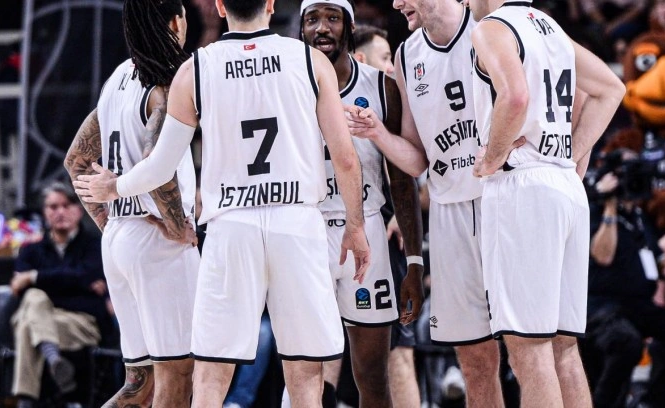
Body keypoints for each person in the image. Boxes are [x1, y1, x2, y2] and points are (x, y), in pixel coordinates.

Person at [73, 0, 371, 406]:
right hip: (296, 223)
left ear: (219, 7)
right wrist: (356, 226)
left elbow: (160, 164)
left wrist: (116, 187)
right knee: (305, 376)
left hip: (231, 226)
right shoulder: (310, 61)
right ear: (271, 4)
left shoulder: (194, 69)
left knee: (210, 376)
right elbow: (346, 158)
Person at [348, 0, 510, 406]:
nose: (396, 4)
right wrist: (378, 134)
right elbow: (417, 158)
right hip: (449, 210)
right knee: (474, 359)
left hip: (502, 198)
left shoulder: (489, 26)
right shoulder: (407, 55)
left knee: (533, 348)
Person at [465, 0, 626, 406]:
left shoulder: (493, 27)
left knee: (529, 351)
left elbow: (515, 97)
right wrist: (572, 154)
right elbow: (611, 89)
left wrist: (491, 157)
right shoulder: (550, 27)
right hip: (564, 186)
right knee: (564, 349)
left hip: (523, 189)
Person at [64, 1, 200, 406]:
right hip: (157, 243)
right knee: (178, 372)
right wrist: (175, 225)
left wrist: (109, 224)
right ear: (176, 21)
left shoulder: (119, 76)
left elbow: (75, 160)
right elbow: (158, 163)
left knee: (141, 384)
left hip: (119, 239)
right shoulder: (167, 82)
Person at [301, 2, 424, 407]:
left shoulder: (381, 86)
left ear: (350, 26)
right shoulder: (289, 85)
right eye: (312, 19)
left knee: (372, 374)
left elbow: (402, 180)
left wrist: (414, 261)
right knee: (305, 372)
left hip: (367, 228)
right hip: (309, 229)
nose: (322, 28)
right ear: (300, 29)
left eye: (332, 18)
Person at [583, 150, 665, 407]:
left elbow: (652, 254)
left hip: (639, 306)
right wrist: (610, 204)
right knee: (627, 343)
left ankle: (651, 402)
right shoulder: (594, 210)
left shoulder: (639, 217)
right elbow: (603, 256)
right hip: (602, 308)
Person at [351, 22, 422, 408]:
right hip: (354, 231)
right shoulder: (355, 99)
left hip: (383, 233)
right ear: (361, 60)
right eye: (384, 58)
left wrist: (405, 213)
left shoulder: (396, 98)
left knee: (396, 351)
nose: (393, 66)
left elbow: (427, 169)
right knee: (321, 357)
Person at [10, 182, 111, 408]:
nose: (60, 212)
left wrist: (34, 277)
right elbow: (19, 291)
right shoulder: (30, 250)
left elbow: (88, 278)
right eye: (53, 207)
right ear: (45, 212)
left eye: (66, 205)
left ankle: (26, 401)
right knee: (34, 298)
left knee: (28, 322)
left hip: (82, 323)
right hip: (48, 319)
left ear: (79, 209)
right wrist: (78, 285)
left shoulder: (96, 246)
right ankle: (54, 359)